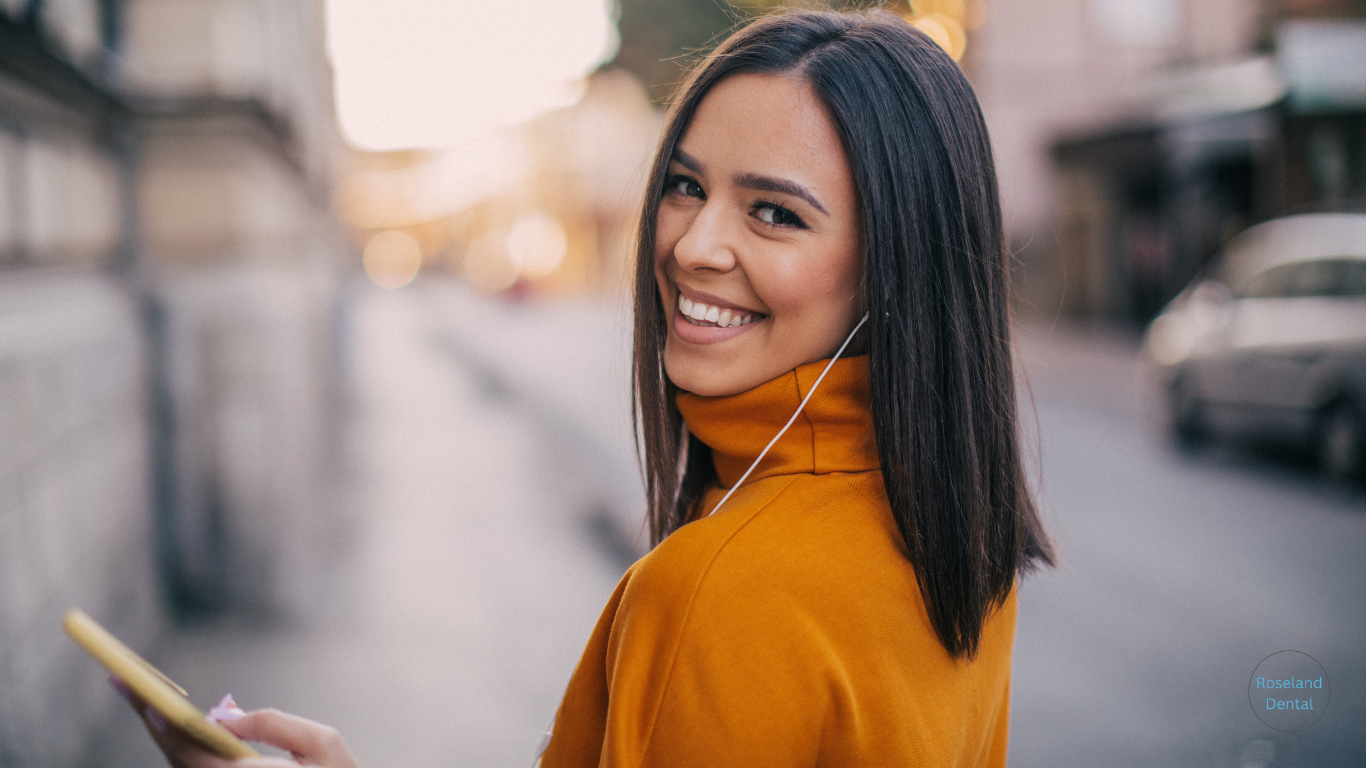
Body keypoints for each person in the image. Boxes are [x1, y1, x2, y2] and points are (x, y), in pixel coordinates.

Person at [126, 8, 1053, 767]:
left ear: (898, 267)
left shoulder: (715, 597)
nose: (692, 244)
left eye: (774, 212)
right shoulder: (960, 534)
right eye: (686, 187)